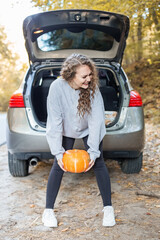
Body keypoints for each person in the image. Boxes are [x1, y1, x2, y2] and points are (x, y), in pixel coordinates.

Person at [42, 53, 116, 227]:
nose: (89, 79)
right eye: (84, 76)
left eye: (90, 75)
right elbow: (55, 122)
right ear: (70, 75)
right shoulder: (56, 87)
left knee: (98, 162)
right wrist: (58, 153)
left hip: (88, 127)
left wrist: (93, 150)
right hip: (66, 128)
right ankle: (48, 211)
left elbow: (96, 120)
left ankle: (108, 209)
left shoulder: (92, 88)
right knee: (58, 164)